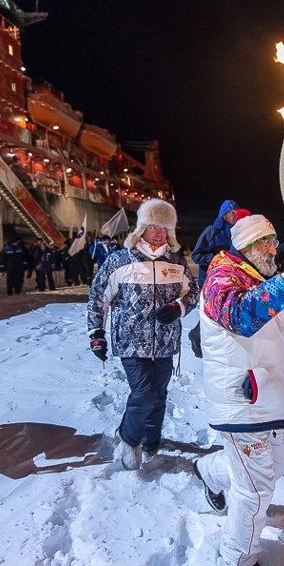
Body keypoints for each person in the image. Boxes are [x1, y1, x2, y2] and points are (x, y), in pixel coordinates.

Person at [192, 210, 284, 566]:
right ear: (247, 245)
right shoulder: (222, 279)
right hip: (241, 401)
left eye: (274, 241)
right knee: (256, 490)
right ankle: (238, 556)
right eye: (267, 242)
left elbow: (280, 341)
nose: (274, 249)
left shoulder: (260, 278)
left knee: (278, 466)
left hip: (272, 398)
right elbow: (238, 317)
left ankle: (208, 471)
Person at [87, 199, 198, 470]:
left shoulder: (175, 261)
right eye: (153, 226)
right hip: (130, 341)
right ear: (141, 228)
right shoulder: (120, 260)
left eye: (164, 227)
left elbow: (192, 292)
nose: (159, 233)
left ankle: (151, 441)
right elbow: (98, 296)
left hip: (165, 341)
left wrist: (178, 307)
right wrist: (96, 332)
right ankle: (128, 439)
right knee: (145, 393)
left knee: (159, 394)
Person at [188, 199, 239, 357]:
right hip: (210, 282)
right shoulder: (211, 231)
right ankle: (197, 338)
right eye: (232, 214)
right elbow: (196, 255)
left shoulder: (237, 232)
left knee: (225, 313)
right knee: (211, 315)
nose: (236, 216)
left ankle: (222, 348)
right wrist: (218, 258)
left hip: (230, 281)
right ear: (225, 215)